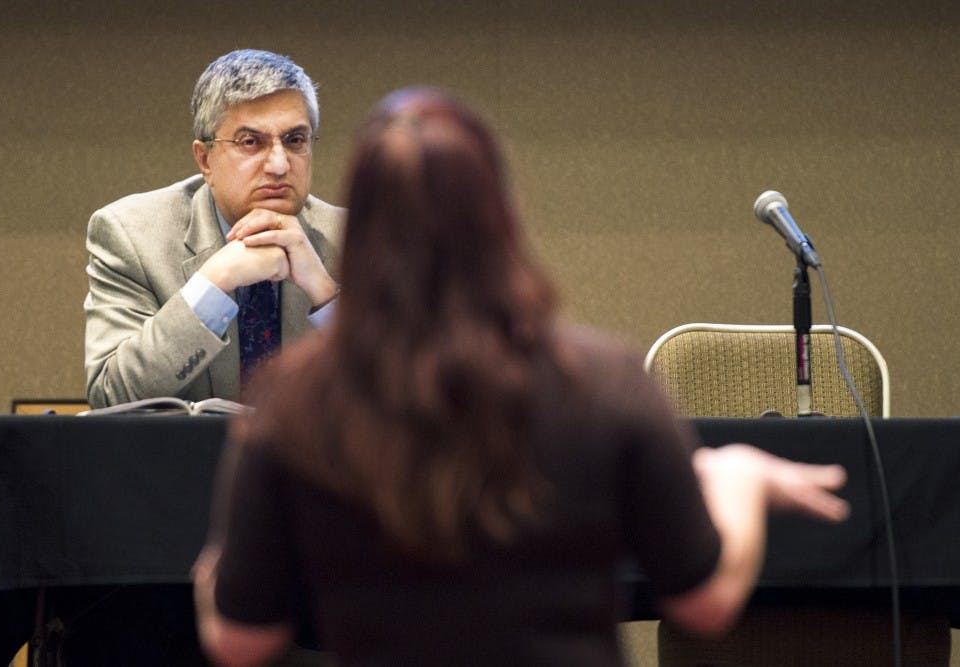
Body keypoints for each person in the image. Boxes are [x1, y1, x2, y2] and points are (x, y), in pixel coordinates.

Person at [192, 88, 850, 667]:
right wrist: (738, 476)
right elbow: (706, 601)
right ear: (499, 216)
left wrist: (216, 567)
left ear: (361, 225)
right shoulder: (602, 381)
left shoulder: (296, 402)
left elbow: (240, 641)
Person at [84, 49, 344, 408]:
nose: (279, 164)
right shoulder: (132, 235)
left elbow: (405, 400)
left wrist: (326, 295)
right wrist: (212, 285)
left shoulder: (353, 239)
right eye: (251, 142)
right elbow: (112, 395)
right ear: (205, 159)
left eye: (295, 140)